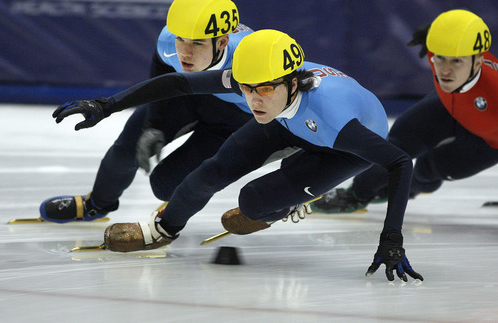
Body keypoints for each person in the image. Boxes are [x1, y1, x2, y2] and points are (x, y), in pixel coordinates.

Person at [53, 29, 424, 282]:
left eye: (263, 88)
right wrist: (106, 104)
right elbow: (175, 84)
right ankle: (162, 230)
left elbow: (399, 162)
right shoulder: (265, 88)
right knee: (210, 171)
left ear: (292, 82)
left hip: (340, 145)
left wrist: (391, 238)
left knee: (254, 202)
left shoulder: (336, 119)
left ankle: (291, 199)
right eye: (246, 89)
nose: (254, 99)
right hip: (287, 119)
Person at [39, 0, 253, 222]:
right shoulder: (168, 40)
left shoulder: (250, 58)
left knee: (165, 186)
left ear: (222, 42)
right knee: (125, 153)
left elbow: (283, 122)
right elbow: (162, 79)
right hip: (185, 95)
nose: (186, 53)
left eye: (198, 43)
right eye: (181, 40)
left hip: (236, 117)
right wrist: (154, 124)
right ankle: (96, 204)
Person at [311, 9, 498, 214]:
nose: (445, 70)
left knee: (431, 168)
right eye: (440, 59)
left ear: (478, 62)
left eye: (456, 62)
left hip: (488, 142)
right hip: (448, 109)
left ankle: (414, 187)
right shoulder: (436, 44)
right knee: (398, 143)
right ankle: (357, 195)